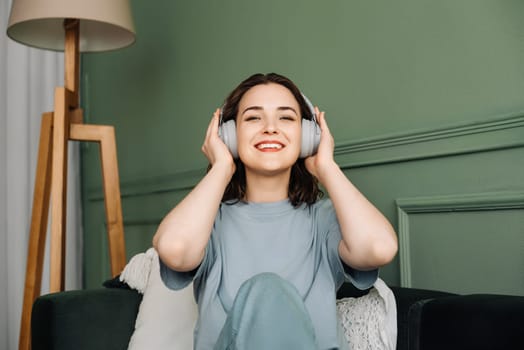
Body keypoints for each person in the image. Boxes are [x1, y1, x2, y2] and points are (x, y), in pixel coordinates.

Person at [153, 73, 398, 350]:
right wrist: (222, 167)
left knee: (268, 290)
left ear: (308, 136)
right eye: (253, 118)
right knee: (266, 289)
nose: (270, 128)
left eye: (286, 118)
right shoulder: (209, 221)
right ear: (228, 136)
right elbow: (174, 249)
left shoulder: (325, 219)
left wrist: (327, 167)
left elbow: (380, 248)